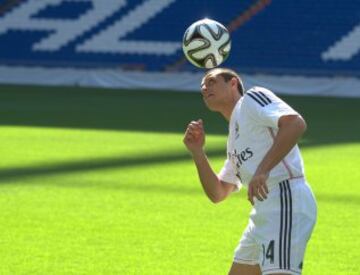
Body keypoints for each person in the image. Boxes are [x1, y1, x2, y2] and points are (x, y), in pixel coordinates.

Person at [183, 68, 317, 275]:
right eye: (202, 85)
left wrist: (262, 170)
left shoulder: (252, 99)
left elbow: (295, 123)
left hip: (286, 199)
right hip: (262, 215)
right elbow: (218, 193)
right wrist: (197, 152)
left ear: (233, 83)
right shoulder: (233, 142)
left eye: (211, 81)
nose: (204, 87)